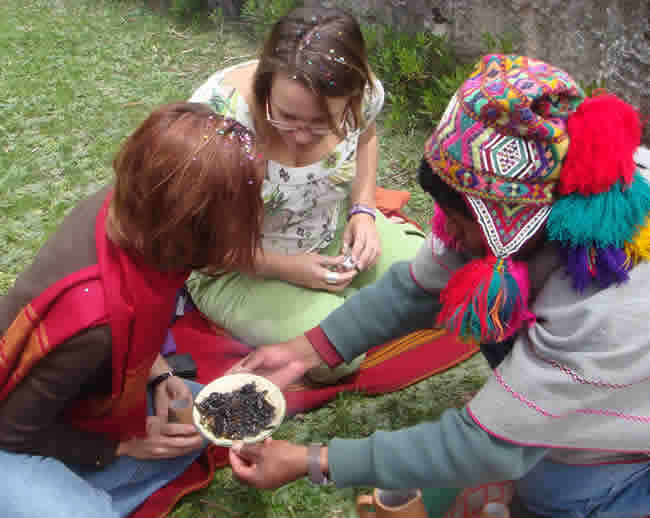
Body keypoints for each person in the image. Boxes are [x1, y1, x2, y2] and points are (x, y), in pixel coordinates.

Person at [225, 55, 650, 518]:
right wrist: (302, 351)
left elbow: (483, 447)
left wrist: (312, 460)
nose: (448, 233)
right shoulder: (518, 208)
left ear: (518, 222)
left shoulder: (613, 298)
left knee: (559, 489)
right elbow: (417, 291)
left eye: (462, 222)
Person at [0, 103, 264, 518]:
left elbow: (138, 325)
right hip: (13, 432)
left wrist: (161, 376)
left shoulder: (131, 218)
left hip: (86, 396)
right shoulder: (94, 322)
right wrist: (123, 445)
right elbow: (12, 431)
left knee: (211, 413)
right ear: (190, 231)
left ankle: (82, 479)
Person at [185, 7, 425, 383]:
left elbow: (367, 136)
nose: (300, 136)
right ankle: (318, 310)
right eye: (286, 117)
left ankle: (329, 306)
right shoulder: (218, 120)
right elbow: (193, 243)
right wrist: (287, 267)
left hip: (327, 237)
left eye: (321, 124)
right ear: (264, 84)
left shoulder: (359, 94)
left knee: (429, 277)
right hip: (234, 267)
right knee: (339, 352)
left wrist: (363, 210)